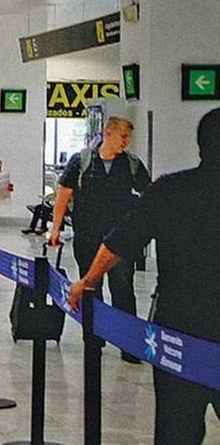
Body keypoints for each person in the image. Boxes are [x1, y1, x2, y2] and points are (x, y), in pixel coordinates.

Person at [67, 108, 220, 444]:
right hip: (186, 327)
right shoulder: (90, 163)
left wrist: (87, 281)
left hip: (180, 330)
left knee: (177, 428)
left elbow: (119, 243)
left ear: (200, 146)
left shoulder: (171, 190)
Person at [49, 116, 151, 362]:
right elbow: (64, 193)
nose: (126, 143)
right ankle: (93, 338)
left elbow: (149, 194)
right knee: (90, 286)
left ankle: (129, 344)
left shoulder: (132, 164)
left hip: (121, 238)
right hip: (88, 236)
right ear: (108, 133)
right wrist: (56, 227)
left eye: (128, 138)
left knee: (123, 288)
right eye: (123, 137)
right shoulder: (82, 161)